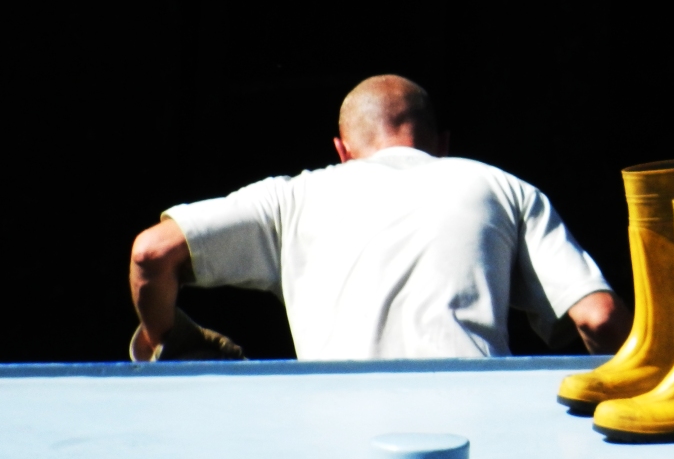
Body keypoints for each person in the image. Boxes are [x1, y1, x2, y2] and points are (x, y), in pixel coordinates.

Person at [129, 75, 631, 361]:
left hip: (335, 432)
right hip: (477, 425)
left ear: (342, 151)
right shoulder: (499, 185)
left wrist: (164, 337)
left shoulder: (293, 197)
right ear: (442, 145)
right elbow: (600, 319)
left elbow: (151, 253)